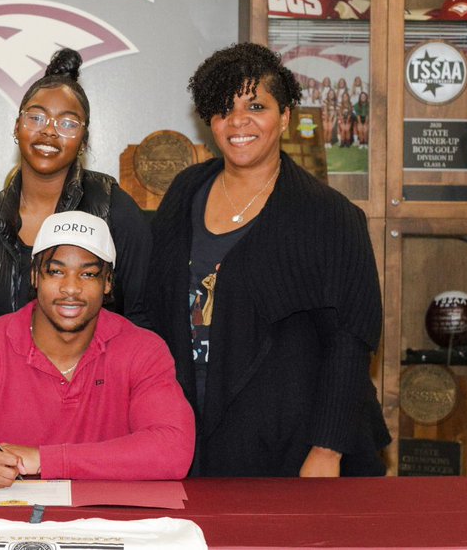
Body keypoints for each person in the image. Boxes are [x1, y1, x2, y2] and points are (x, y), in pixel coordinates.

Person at [146, 42, 389, 477]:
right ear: (210, 122)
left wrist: (327, 450)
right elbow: (152, 307)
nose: (239, 122)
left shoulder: (329, 215)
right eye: (223, 109)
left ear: (286, 116)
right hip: (185, 436)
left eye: (256, 105)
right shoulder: (184, 191)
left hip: (288, 447)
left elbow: (350, 339)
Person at [0, 211, 194, 487]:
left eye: (88, 274)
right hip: (4, 525)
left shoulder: (144, 351)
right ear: (34, 276)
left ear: (108, 283)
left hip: (107, 525)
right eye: (56, 271)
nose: (71, 288)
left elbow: (173, 449)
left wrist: (44, 460)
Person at [0, 48, 152, 333]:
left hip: (97, 377)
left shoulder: (114, 209)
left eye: (67, 123)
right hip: (4, 378)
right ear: (16, 127)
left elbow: (140, 317)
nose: (49, 131)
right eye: (36, 117)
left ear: (84, 140)